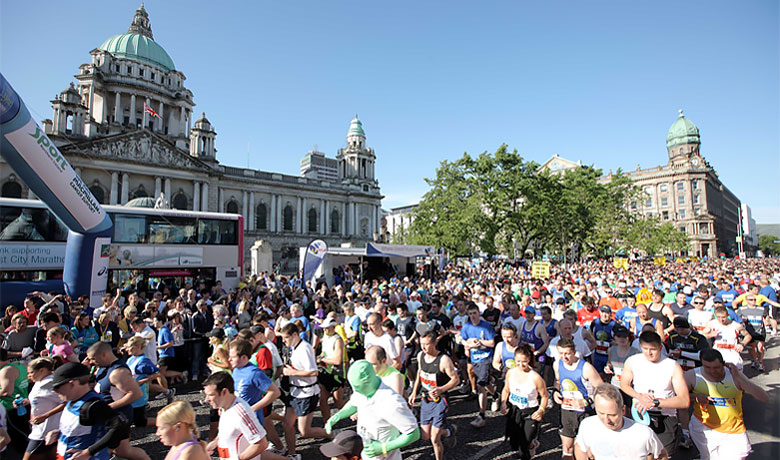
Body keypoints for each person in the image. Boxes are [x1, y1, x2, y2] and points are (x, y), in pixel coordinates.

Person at [325, 361, 420, 460]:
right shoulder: (363, 391)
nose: (355, 390)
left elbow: (414, 433)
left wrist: (383, 448)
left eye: (357, 387)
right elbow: (354, 403)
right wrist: (338, 416)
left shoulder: (391, 401)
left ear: (366, 381)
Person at [684, 349, 769, 460]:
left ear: (724, 364)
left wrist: (739, 378)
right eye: (707, 367)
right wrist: (695, 397)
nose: (712, 371)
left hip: (733, 430)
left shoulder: (734, 375)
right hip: (704, 428)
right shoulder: (693, 375)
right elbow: (679, 398)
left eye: (716, 367)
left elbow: (763, 397)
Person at [620, 331, 690, 457]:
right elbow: (624, 384)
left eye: (653, 349)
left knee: (663, 455)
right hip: (640, 415)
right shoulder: (632, 361)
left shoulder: (672, 366)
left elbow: (684, 400)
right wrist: (639, 396)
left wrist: (656, 402)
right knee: (642, 454)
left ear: (660, 348)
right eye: (645, 349)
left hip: (665, 417)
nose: (649, 353)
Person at [43, 362, 130, 460]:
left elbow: (119, 426)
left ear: (73, 383)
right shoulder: (72, 400)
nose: (54, 391)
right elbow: (81, 429)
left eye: (57, 387)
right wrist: (60, 433)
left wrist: (88, 452)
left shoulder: (93, 405)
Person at [202, 372, 298, 460]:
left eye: (211, 395)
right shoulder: (224, 407)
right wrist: (215, 443)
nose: (206, 399)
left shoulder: (241, 414)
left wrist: (238, 458)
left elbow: (261, 443)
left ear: (224, 392)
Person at [86, 341, 150, 460]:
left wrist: (110, 407)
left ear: (104, 354)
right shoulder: (102, 368)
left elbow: (136, 393)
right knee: (124, 451)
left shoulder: (118, 372)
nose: (92, 362)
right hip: (108, 417)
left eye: (93, 359)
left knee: (100, 451)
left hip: (117, 417)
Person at [574, 383, 668, 460]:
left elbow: (662, 455)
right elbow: (580, 447)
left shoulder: (643, 433)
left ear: (623, 410)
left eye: (612, 415)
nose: (607, 420)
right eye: (601, 413)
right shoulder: (588, 425)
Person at [279, 323, 330, 457]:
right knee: (287, 424)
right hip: (295, 391)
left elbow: (313, 372)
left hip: (307, 393)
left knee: (304, 431)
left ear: (295, 335)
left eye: (285, 338)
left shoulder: (305, 348)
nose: (283, 341)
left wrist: (292, 372)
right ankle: (292, 454)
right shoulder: (293, 348)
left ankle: (331, 433)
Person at [408, 330, 459, 460]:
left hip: (440, 400)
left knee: (434, 439)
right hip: (426, 400)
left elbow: (456, 379)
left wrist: (441, 389)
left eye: (426, 344)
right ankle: (449, 431)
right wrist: (414, 392)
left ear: (435, 343)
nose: (423, 347)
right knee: (425, 436)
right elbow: (420, 372)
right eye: (421, 344)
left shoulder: (443, 360)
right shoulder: (420, 356)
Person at [552, 338, 602, 460]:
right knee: (567, 448)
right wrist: (555, 392)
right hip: (567, 410)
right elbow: (558, 381)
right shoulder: (557, 364)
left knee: (588, 451)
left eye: (567, 353)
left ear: (574, 352)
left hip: (585, 412)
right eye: (561, 353)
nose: (564, 357)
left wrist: (586, 401)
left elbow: (602, 389)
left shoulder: (586, 368)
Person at [500, 344, 548, 460]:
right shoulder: (510, 373)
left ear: (529, 360)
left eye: (524, 362)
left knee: (524, 444)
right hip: (514, 410)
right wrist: (503, 403)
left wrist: (541, 410)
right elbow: (506, 389)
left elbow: (545, 396)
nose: (521, 365)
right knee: (514, 441)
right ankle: (532, 444)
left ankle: (528, 448)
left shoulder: (535, 378)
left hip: (529, 412)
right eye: (518, 361)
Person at [460, 302, 496, 428]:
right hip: (474, 358)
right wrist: (468, 345)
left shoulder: (485, 326)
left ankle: (481, 415)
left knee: (481, 385)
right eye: (470, 314)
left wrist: (480, 342)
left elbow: (492, 343)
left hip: (485, 358)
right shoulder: (466, 327)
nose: (473, 316)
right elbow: (463, 340)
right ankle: (496, 395)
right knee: (485, 383)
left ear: (479, 313)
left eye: (474, 313)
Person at [24, 357, 64, 460]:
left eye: (31, 372)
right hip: (42, 430)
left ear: (42, 370)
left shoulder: (49, 384)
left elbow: (66, 402)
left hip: (45, 431)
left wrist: (45, 416)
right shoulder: (39, 381)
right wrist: (27, 402)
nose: (29, 376)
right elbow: (42, 398)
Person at [317, 317, 346, 422]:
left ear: (333, 327)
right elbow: (324, 353)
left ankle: (357, 407)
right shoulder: (325, 338)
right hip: (325, 372)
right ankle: (327, 424)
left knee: (338, 403)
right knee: (322, 400)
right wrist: (320, 357)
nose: (325, 330)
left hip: (337, 373)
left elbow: (338, 360)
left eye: (327, 328)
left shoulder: (338, 340)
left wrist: (322, 359)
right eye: (324, 328)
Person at [0, 347, 30, 448]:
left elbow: (6, 392)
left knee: (19, 440)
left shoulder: (5, 371)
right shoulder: (19, 364)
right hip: (23, 405)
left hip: (12, 408)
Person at [706, 306, 751, 370]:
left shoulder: (736, 325)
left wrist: (742, 344)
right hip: (718, 351)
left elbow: (748, 336)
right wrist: (710, 335)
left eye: (723, 317)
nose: (721, 320)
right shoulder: (712, 324)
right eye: (718, 317)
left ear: (728, 315)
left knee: (736, 373)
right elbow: (702, 336)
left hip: (732, 351)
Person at [736, 294, 768, 371]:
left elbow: (766, 316)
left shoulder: (761, 309)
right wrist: (743, 321)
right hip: (749, 331)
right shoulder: (742, 309)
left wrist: (766, 321)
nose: (753, 301)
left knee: (760, 347)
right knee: (751, 347)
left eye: (754, 299)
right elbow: (737, 318)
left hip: (760, 331)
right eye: (751, 300)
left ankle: (760, 362)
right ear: (746, 301)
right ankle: (754, 360)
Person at [590, 305, 616, 376]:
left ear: (610, 314)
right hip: (597, 355)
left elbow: (619, 341)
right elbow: (590, 334)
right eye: (602, 312)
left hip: (609, 356)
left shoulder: (615, 325)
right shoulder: (595, 323)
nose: (604, 315)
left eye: (607, 313)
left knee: (609, 376)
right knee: (598, 375)